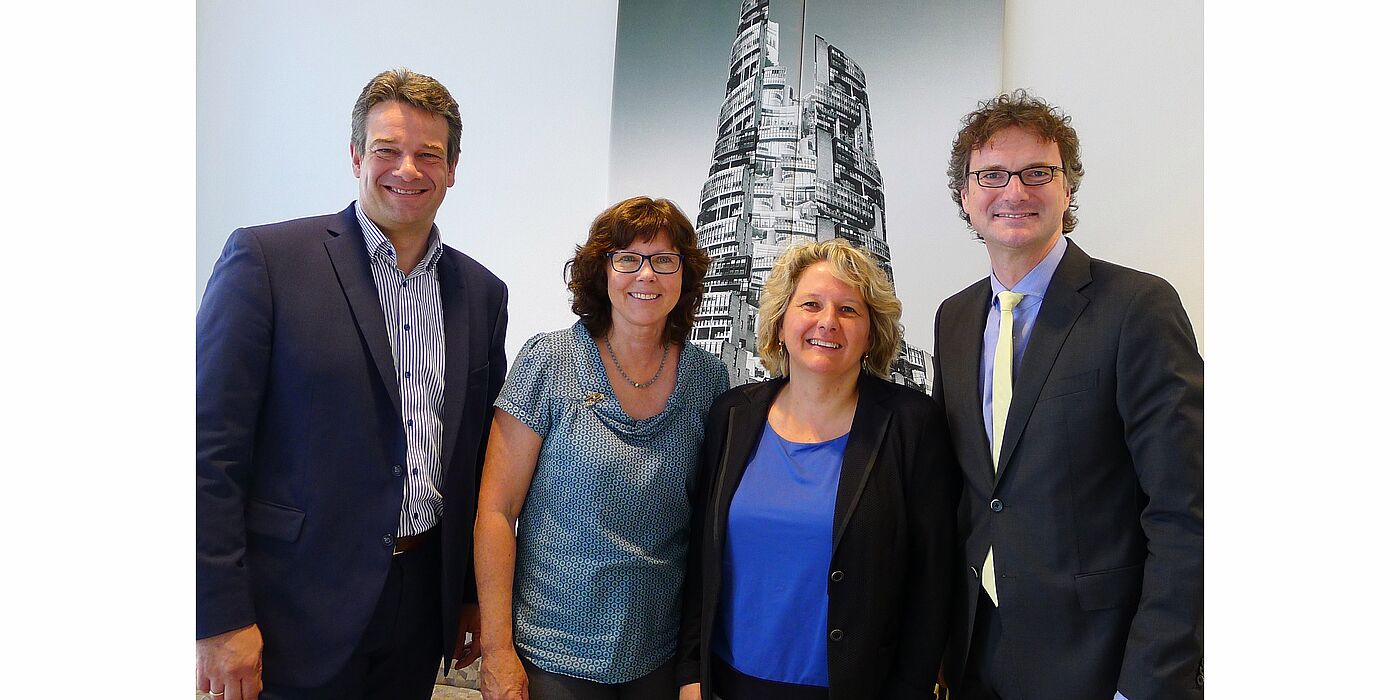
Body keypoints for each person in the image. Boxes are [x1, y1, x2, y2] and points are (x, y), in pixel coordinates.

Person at [196, 68, 508, 699]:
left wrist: (469, 595)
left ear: (453, 169)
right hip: (293, 605)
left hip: (421, 603)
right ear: (356, 156)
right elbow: (207, 450)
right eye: (387, 150)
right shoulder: (267, 262)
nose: (407, 170)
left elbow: (474, 456)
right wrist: (218, 616)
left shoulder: (481, 293)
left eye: (429, 155)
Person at [932, 90, 1204, 700]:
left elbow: (1187, 511)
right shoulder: (953, 319)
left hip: (1099, 663)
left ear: (1067, 190)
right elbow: (970, 496)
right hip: (977, 654)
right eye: (992, 175)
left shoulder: (1137, 308)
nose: (1015, 191)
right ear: (966, 195)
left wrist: (1149, 682)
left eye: (1038, 173)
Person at [677, 238, 959, 700]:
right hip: (729, 683)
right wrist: (692, 673)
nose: (827, 322)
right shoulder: (732, 415)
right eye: (811, 304)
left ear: (872, 333)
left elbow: (933, 583)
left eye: (849, 310)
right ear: (781, 321)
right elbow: (700, 560)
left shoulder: (912, 425)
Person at [474, 196, 730, 700]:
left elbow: (708, 529)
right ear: (602, 270)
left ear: (684, 275)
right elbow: (497, 511)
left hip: (658, 653)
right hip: (552, 654)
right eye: (627, 258)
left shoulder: (708, 381)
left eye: (664, 260)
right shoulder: (548, 362)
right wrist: (498, 649)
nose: (646, 275)